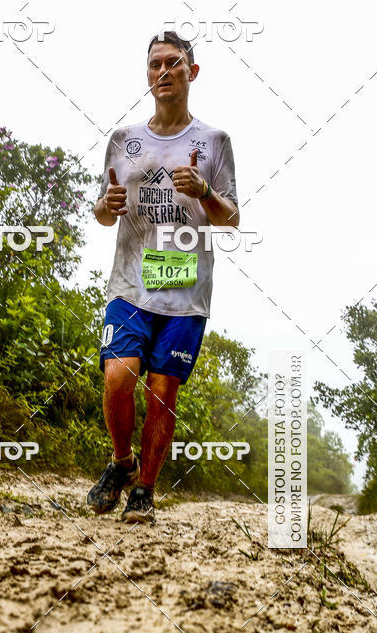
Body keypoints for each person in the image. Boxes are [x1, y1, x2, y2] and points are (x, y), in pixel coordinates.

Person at [87, 30, 239, 523]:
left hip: (184, 289)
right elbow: (104, 212)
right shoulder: (123, 140)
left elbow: (230, 217)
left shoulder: (214, 142)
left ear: (192, 73)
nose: (164, 71)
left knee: (162, 391)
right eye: (156, 65)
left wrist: (204, 191)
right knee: (118, 375)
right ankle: (121, 463)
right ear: (147, 75)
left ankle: (145, 491)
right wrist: (104, 207)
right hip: (130, 281)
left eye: (174, 63)